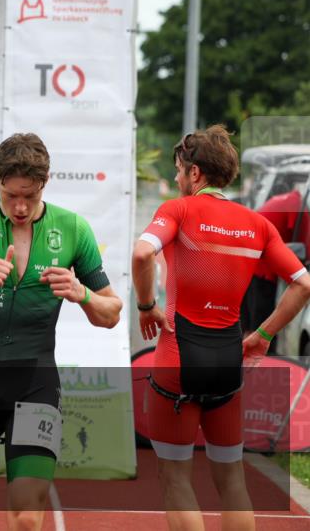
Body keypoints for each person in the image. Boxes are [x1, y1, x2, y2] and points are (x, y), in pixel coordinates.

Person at [0, 133, 122, 531]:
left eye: (30, 197)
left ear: (45, 182)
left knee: (26, 519)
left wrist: (81, 294)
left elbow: (111, 313)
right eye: (12, 195)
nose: (20, 207)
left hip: (35, 386)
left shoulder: (72, 228)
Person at [132, 125, 310, 531]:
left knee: (175, 476)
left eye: (179, 170)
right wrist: (263, 336)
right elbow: (304, 284)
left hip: (178, 357)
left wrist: (146, 307)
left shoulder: (178, 210)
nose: (177, 179)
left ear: (195, 174)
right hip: (229, 358)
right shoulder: (258, 224)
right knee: (231, 478)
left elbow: (142, 254)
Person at [239, 185, 309, 345]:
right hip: (262, 270)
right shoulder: (298, 207)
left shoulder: (284, 200)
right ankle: (257, 364)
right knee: (261, 326)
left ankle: (245, 361)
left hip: (247, 264)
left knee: (249, 324)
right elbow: (304, 245)